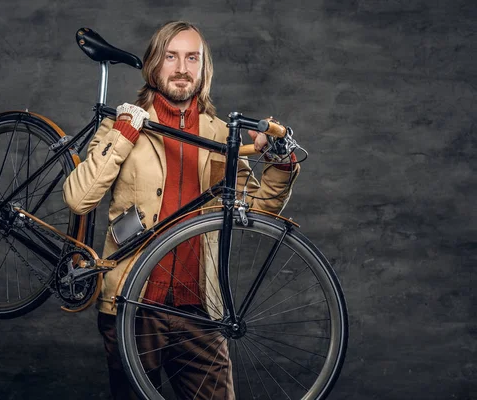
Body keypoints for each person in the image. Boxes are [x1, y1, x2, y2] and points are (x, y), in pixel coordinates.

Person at [63, 20, 300, 400]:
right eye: (171, 57)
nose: (181, 68)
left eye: (193, 58)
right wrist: (125, 135)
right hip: (133, 304)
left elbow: (258, 210)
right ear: (154, 65)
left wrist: (282, 164)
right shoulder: (119, 124)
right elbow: (79, 197)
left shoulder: (222, 135)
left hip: (200, 309)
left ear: (204, 70)